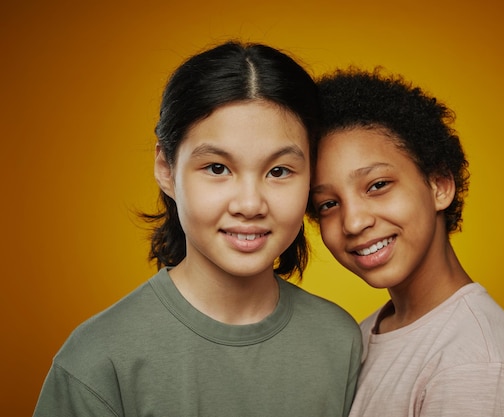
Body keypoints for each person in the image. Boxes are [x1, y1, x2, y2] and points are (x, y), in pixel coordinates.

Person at [33, 41, 362, 417]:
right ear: (166, 169)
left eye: (278, 171)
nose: (250, 205)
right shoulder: (97, 360)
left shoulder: (341, 342)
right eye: (218, 168)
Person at [307, 68, 504, 416]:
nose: (354, 221)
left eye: (377, 185)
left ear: (439, 185)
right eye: (328, 204)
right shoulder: (363, 336)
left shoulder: (473, 365)